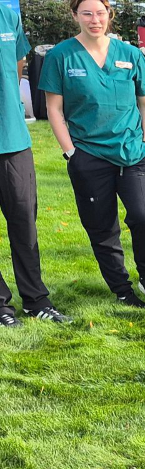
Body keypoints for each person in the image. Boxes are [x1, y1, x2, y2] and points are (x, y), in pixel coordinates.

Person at [41, 0, 145, 309]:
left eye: (100, 13)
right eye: (86, 13)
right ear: (75, 16)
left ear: (109, 14)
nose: (94, 19)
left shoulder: (129, 54)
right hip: (88, 156)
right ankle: (122, 289)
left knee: (144, 217)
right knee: (102, 227)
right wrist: (71, 152)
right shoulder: (60, 56)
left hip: (133, 153)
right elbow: (53, 109)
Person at [0, 2, 70, 327]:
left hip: (12, 138)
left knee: (24, 224)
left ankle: (36, 300)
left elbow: (18, 63)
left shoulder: (7, 14)